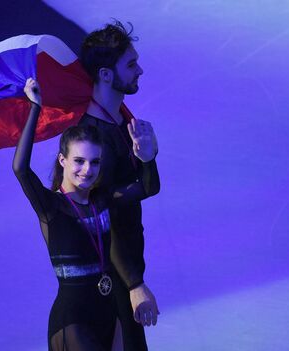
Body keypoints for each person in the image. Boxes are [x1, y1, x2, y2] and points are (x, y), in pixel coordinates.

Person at [13, 78, 159, 350]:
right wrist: (35, 108)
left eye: (94, 162)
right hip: (72, 322)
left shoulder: (102, 200)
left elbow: (148, 188)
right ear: (62, 160)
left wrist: (148, 158)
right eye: (79, 161)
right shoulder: (51, 206)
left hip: (108, 313)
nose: (87, 169)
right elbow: (21, 169)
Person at [78, 21, 160, 350]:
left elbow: (148, 189)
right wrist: (135, 284)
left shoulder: (123, 123)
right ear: (106, 74)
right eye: (130, 64)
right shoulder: (91, 137)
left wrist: (148, 158)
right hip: (107, 278)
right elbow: (101, 217)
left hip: (124, 269)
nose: (139, 70)